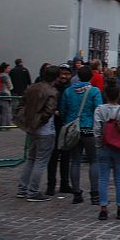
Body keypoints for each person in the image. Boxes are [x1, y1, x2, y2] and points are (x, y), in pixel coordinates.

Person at [13, 66, 59, 200]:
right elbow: (49, 111)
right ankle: (33, 191)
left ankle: (23, 188)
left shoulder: (32, 87)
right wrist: (39, 120)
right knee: (40, 161)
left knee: (31, 159)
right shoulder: (52, 91)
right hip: (44, 130)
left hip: (32, 127)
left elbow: (23, 103)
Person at [60, 66, 103, 204]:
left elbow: (62, 110)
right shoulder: (94, 91)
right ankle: (95, 194)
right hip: (88, 128)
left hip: (73, 128)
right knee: (93, 160)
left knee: (75, 161)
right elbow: (98, 110)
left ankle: (77, 193)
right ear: (90, 77)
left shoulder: (68, 91)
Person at [93, 78, 120, 220]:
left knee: (103, 178)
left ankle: (103, 208)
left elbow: (97, 129)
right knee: (119, 178)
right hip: (119, 147)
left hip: (104, 146)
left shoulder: (100, 109)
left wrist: (99, 143)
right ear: (119, 95)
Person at [46, 64, 73, 195]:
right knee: (53, 155)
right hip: (54, 125)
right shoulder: (52, 88)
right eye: (62, 73)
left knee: (66, 156)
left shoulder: (70, 89)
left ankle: (65, 183)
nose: (64, 76)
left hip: (66, 125)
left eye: (67, 74)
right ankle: (51, 185)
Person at [0, 62, 13, 127]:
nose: (10, 69)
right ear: (5, 69)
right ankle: (6, 124)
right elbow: (10, 86)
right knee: (6, 110)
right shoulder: (6, 76)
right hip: (6, 93)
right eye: (8, 68)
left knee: (1, 111)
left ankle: (0, 124)